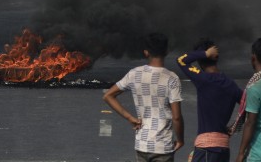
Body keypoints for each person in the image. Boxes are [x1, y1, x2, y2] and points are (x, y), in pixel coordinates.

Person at [103, 32, 183, 162]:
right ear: (167, 51)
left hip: (142, 144)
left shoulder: (135, 74)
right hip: (162, 146)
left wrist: (130, 117)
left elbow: (108, 96)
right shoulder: (172, 78)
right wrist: (180, 140)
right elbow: (177, 117)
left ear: (146, 52)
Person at [176, 41, 242, 162]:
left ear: (201, 61)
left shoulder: (203, 79)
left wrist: (204, 53)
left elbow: (181, 60)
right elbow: (248, 104)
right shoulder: (230, 84)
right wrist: (235, 125)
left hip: (206, 149)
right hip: (223, 147)